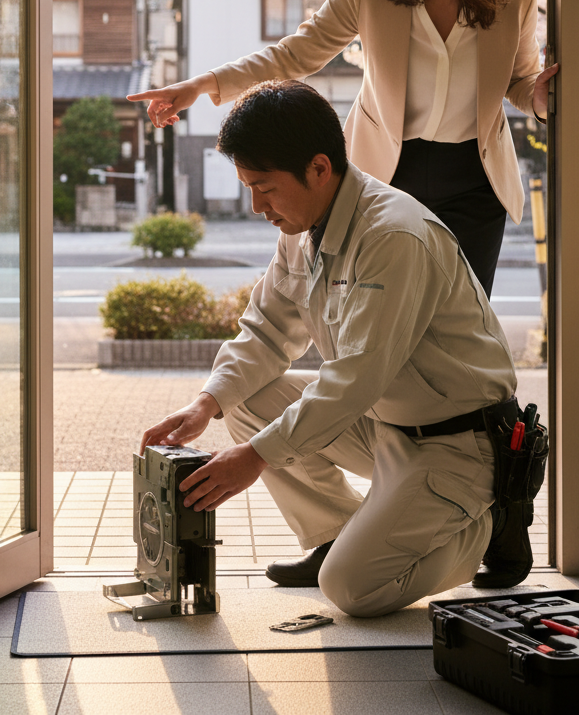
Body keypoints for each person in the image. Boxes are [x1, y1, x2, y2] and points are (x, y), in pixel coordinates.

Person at [140, 80, 521, 617]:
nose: (256, 206)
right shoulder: (301, 227)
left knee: (351, 590)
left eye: (265, 187)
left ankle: (491, 520)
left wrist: (253, 458)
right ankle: (335, 536)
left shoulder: (393, 235)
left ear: (319, 168)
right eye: (249, 187)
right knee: (245, 399)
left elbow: (354, 378)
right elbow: (268, 328)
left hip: (458, 443)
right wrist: (206, 403)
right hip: (386, 422)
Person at [129, 0, 557, 297]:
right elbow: (296, 54)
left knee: (463, 321)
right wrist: (201, 85)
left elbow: (518, 81)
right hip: (386, 174)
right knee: (379, 314)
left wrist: (540, 99)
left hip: (474, 181)